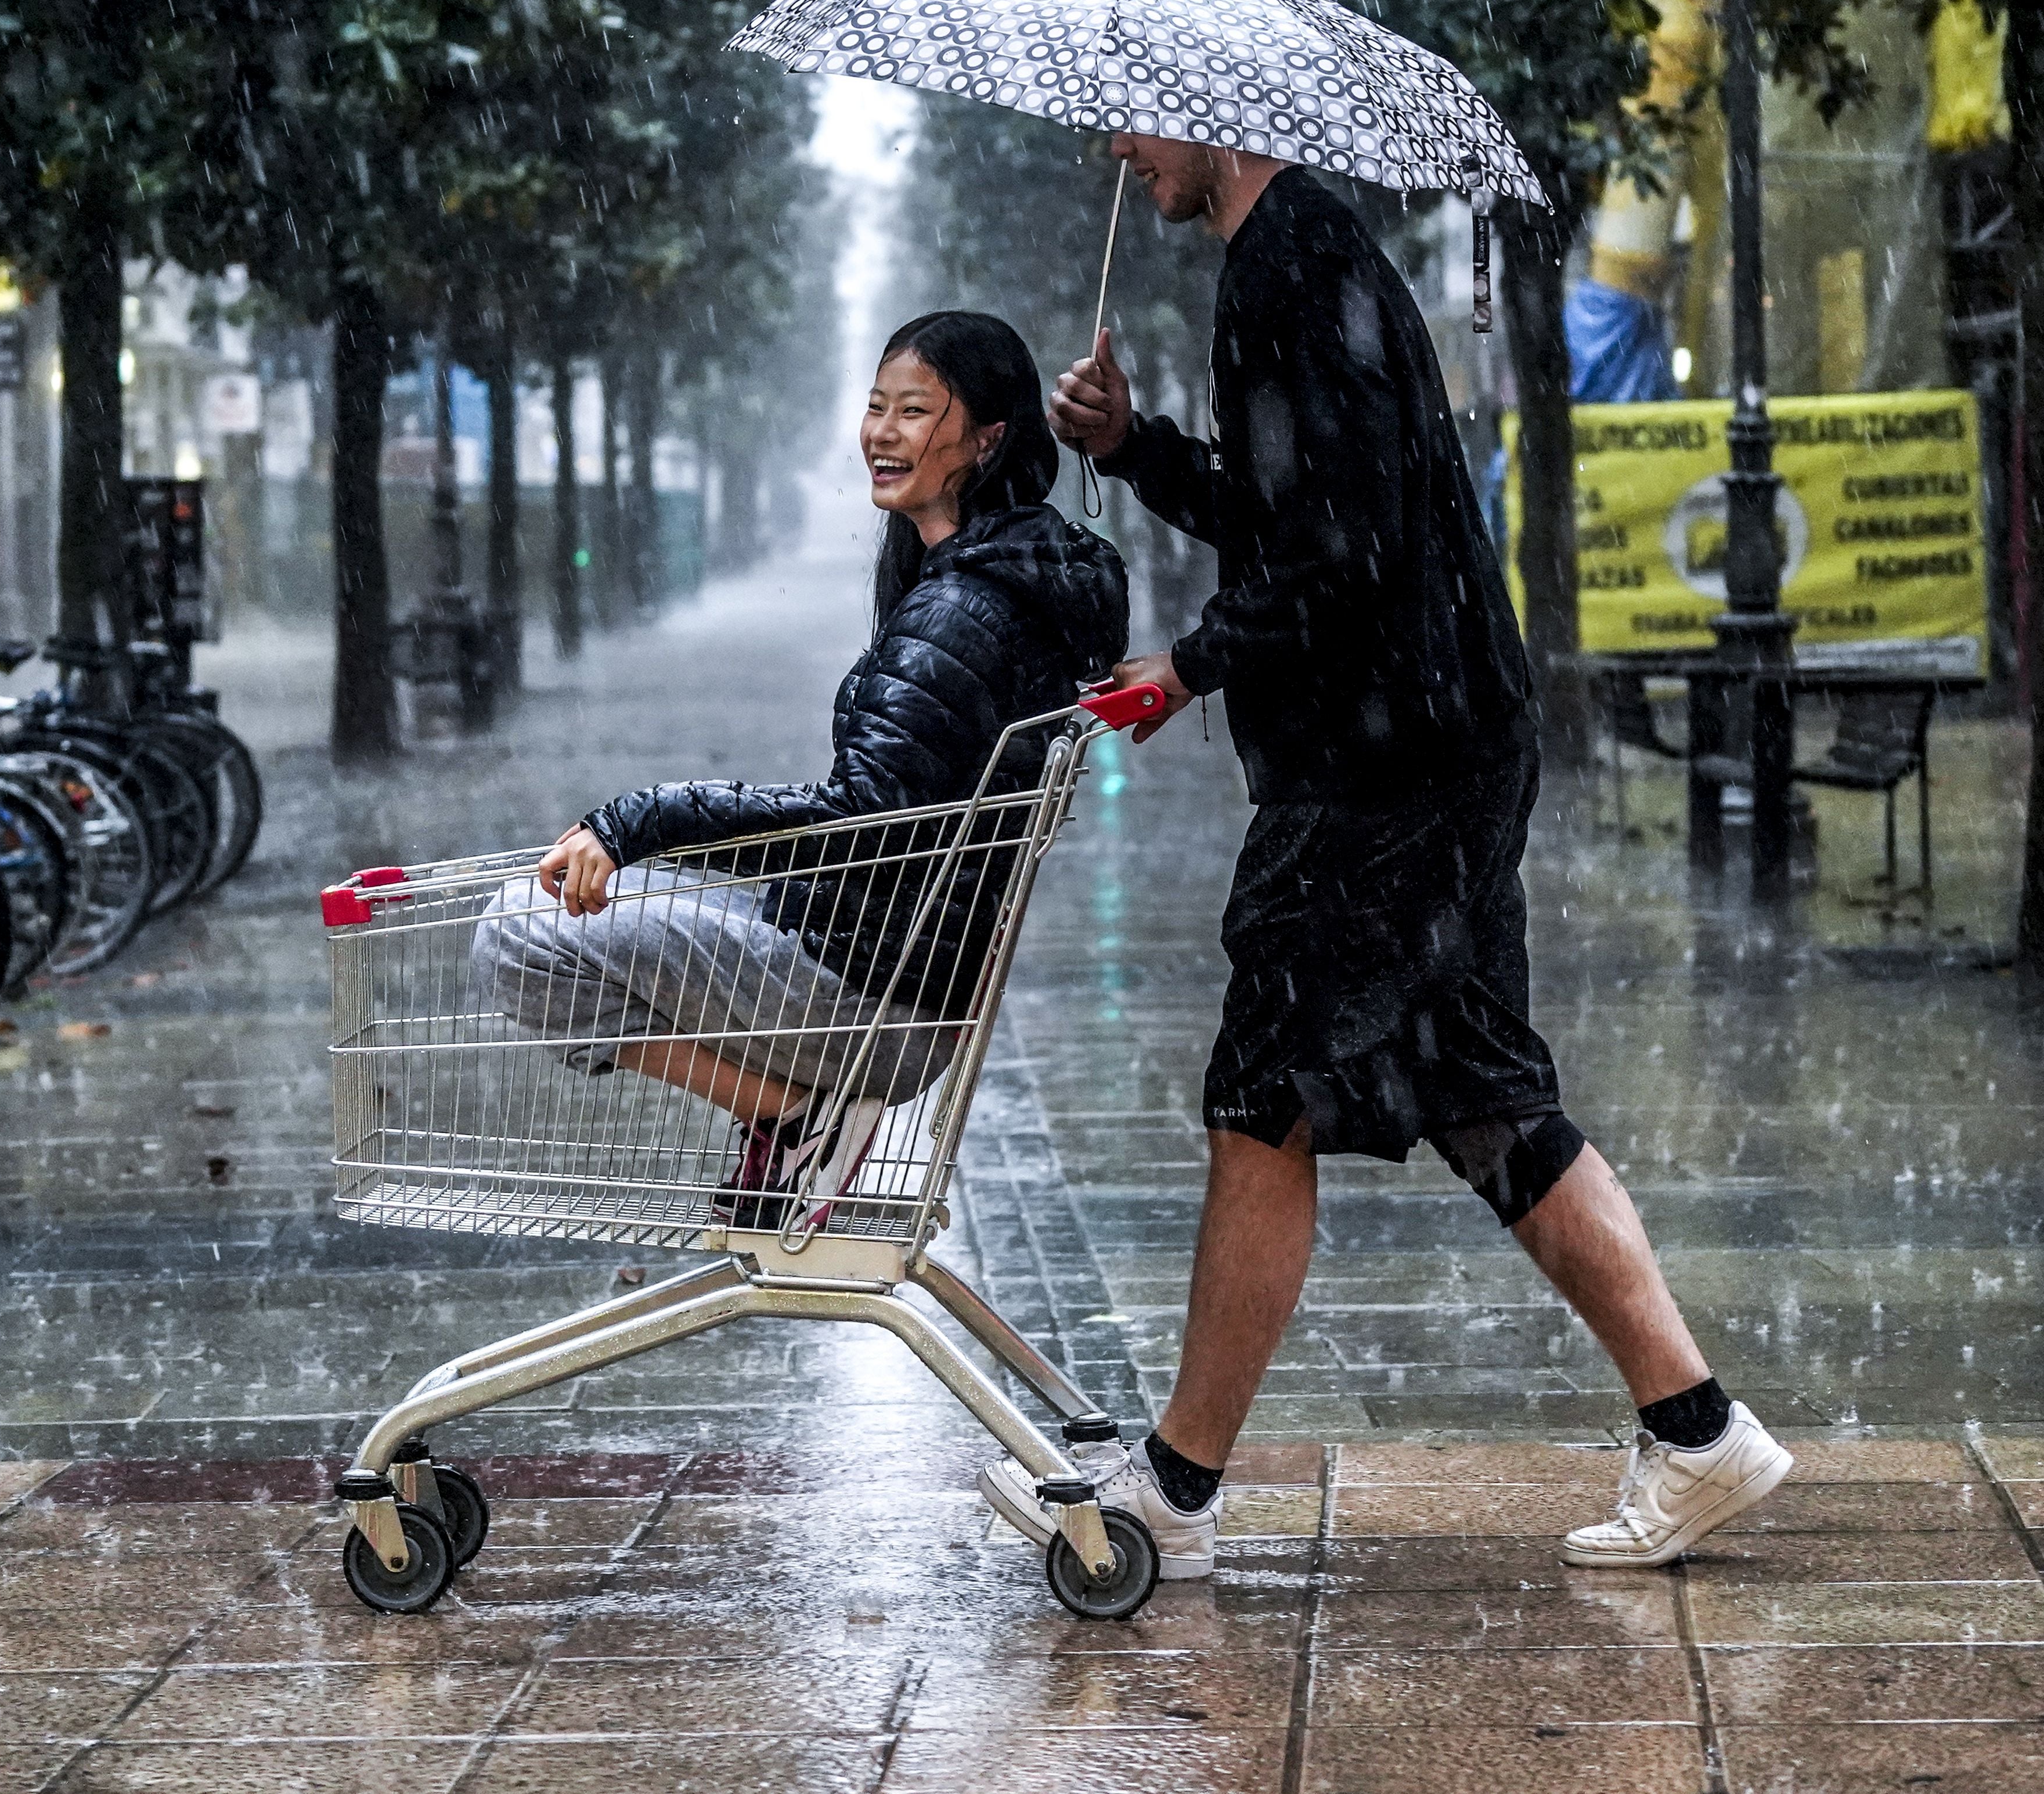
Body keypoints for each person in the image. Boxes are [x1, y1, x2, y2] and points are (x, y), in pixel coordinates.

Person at [990, 135, 1791, 1580]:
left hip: (1383, 767)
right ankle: (1697, 1430)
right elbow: (1288, 513)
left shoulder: (1294, 265)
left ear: (1218, 115)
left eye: (1140, 122)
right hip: (1430, 739)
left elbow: (1340, 552)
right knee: (1479, 1095)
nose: (1120, 146)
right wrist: (1135, 447)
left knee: (1262, 1094)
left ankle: (1174, 1485)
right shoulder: (1292, 257)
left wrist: (1189, 664)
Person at [475, 310, 1128, 1230]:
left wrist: (643, 823)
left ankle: (790, 1116)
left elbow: (858, 821)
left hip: (868, 997)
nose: (882, 433)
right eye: (876, 407)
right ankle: (791, 1119)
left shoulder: (960, 612)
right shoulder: (986, 585)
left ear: (987, 439)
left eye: (914, 411)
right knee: (586, 899)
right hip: (890, 966)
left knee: (519, 933)